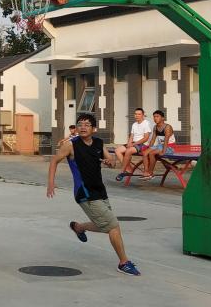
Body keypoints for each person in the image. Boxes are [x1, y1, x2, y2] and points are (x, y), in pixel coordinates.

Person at [47, 112, 141, 276]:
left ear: (94, 129)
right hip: (85, 193)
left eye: (87, 125)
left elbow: (111, 161)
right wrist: (50, 183)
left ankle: (79, 227)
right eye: (80, 124)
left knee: (104, 225)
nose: (82, 127)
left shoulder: (98, 143)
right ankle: (123, 263)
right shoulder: (71, 145)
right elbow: (54, 160)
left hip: (100, 190)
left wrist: (110, 162)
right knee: (113, 225)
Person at [114, 108, 152, 181]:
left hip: (143, 144)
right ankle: (129, 168)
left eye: (139, 114)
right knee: (117, 150)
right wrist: (129, 143)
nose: (137, 116)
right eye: (136, 114)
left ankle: (122, 171)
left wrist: (133, 144)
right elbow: (131, 136)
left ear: (143, 115)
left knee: (128, 151)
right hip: (134, 143)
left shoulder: (146, 123)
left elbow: (146, 138)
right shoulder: (134, 124)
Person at [139, 110, 174, 180]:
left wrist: (163, 152)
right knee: (145, 153)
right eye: (154, 117)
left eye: (157, 116)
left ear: (163, 118)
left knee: (151, 153)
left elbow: (166, 140)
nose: (155, 118)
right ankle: (146, 172)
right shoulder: (155, 127)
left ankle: (150, 173)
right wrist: (149, 148)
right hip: (160, 146)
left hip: (169, 147)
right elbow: (153, 139)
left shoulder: (168, 127)